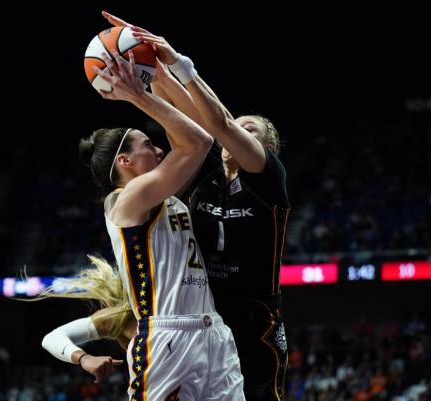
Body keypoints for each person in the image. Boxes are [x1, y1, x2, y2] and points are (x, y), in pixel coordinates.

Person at [102, 12, 291, 401]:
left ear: (264, 147)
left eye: (248, 129)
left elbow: (218, 123)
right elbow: (193, 124)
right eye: (239, 126)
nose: (238, 131)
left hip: (255, 321)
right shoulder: (206, 178)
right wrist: (147, 63)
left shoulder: (268, 178)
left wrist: (178, 63)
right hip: (203, 314)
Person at [41, 47, 244, 401]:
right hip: (167, 337)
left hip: (214, 333)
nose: (160, 150)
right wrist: (139, 95)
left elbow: (193, 136)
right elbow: (197, 141)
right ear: (124, 161)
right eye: (149, 144)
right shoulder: (123, 202)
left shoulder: (168, 198)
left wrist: (163, 74)